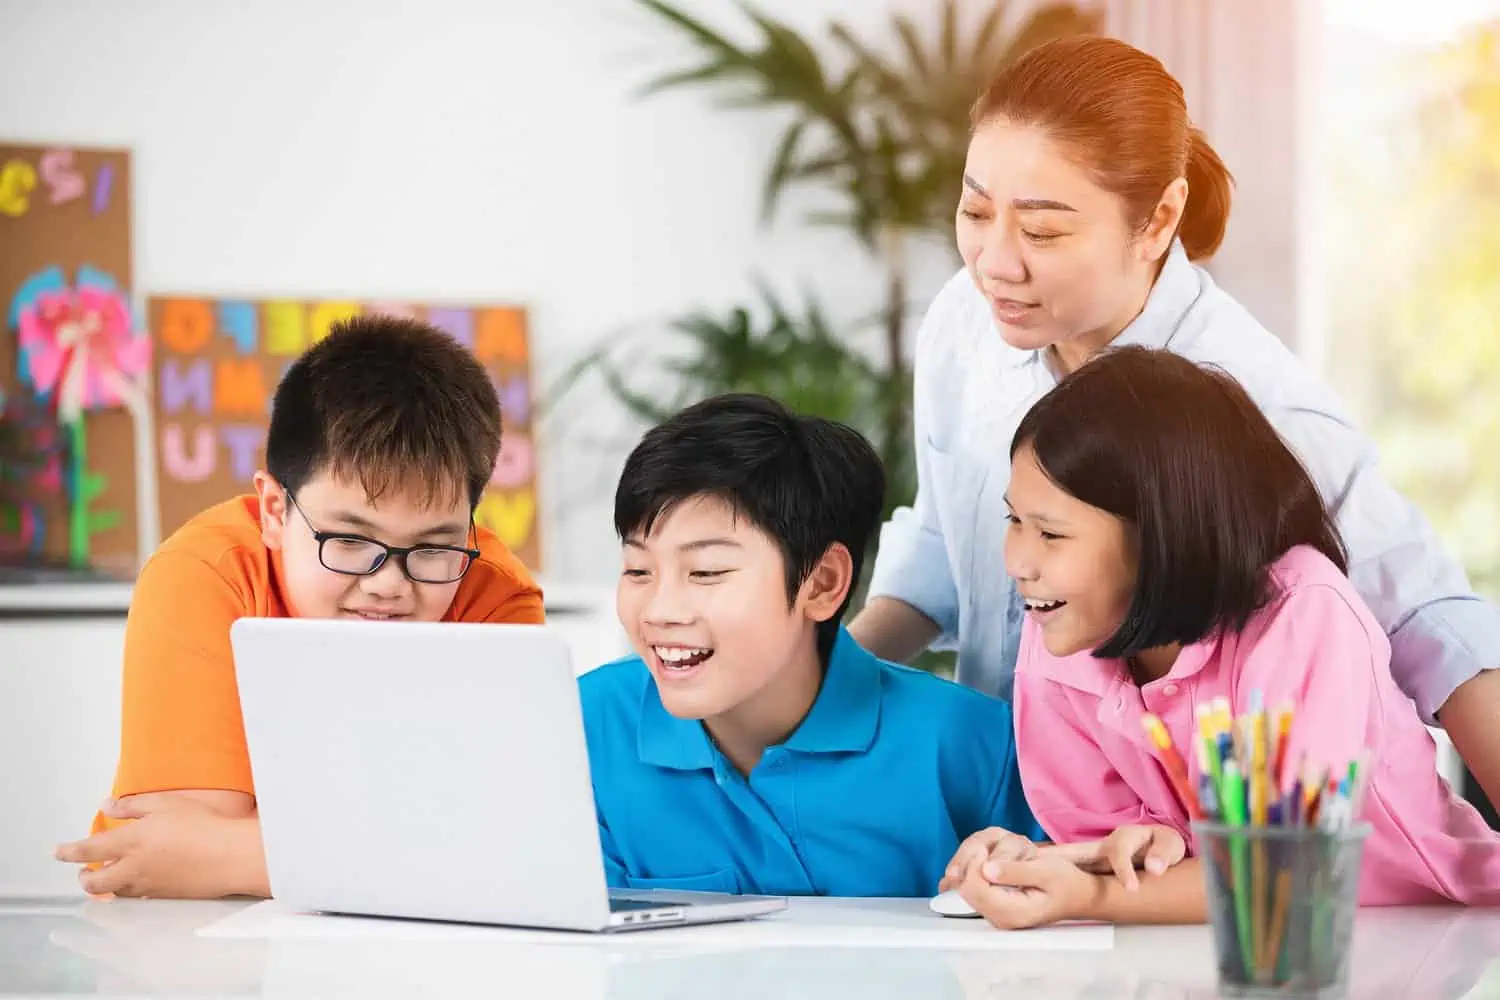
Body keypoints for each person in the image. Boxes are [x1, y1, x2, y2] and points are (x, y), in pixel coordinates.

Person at [848, 34, 1500, 812]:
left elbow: (1426, 620)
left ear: (1158, 220)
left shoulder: (1253, 401)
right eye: (976, 209)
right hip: (1022, 812)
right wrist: (822, 682)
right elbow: (944, 539)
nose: (995, 260)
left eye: (1043, 231)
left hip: (1175, 850)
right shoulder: (967, 320)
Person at [947, 347, 1500, 929]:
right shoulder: (1063, 628)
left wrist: (1087, 896)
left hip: (1436, 929)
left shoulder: (1300, 614)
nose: (1017, 561)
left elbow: (1286, 869)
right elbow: (1122, 856)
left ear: (1159, 536)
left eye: (1051, 533)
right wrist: (1042, 864)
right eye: (1014, 520)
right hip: (1226, 943)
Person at [53, 315, 545, 899]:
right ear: (273, 510)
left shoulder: (494, 593)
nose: (389, 583)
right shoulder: (206, 573)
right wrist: (418, 850)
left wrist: (237, 851)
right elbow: (175, 868)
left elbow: (512, 846)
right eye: (350, 540)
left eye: (434, 546)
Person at [578, 393, 1045, 897]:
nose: (659, 610)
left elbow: (1070, 936)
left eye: (706, 572)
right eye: (638, 570)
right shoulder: (579, 731)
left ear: (821, 584)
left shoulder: (973, 746)